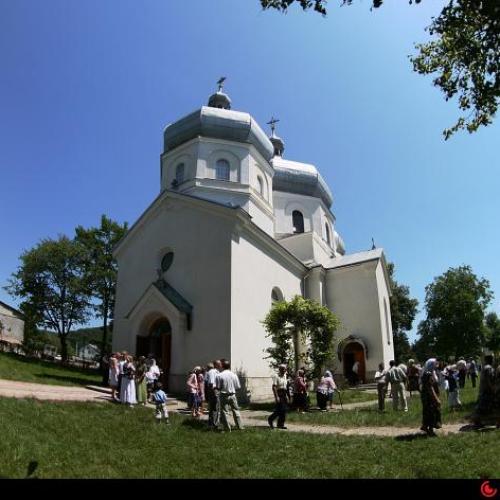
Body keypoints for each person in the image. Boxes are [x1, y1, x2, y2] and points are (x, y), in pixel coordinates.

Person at [216, 360, 244, 431]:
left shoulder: (219, 375)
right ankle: (240, 427)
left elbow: (218, 387)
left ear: (222, 366)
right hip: (232, 395)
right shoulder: (234, 375)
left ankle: (228, 428)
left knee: (225, 412)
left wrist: (218, 388)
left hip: (223, 395)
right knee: (236, 411)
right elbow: (238, 387)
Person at [471, 355, 496, 427]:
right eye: (493, 359)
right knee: (482, 406)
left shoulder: (485, 367)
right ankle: (477, 422)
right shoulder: (489, 368)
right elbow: (489, 380)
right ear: (491, 360)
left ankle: (482, 420)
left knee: (483, 405)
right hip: (487, 390)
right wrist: (492, 388)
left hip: (483, 389)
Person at [420, 358, 442, 436]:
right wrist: (436, 398)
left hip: (428, 395)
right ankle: (430, 429)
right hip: (429, 396)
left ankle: (426, 426)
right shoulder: (428, 374)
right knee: (431, 411)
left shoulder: (431, 372)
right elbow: (430, 387)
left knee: (428, 411)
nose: (436, 365)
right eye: (435, 364)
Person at [268, 364, 290, 428]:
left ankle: (280, 424)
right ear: (279, 369)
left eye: (285, 369)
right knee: (280, 409)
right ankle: (270, 419)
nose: (284, 370)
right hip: (279, 393)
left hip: (284, 393)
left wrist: (287, 396)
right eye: (282, 369)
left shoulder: (285, 376)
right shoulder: (276, 376)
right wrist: (276, 396)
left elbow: (286, 387)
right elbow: (274, 387)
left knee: (284, 410)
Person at [205, 360, 221, 429]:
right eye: (219, 363)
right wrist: (214, 393)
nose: (221, 365)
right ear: (216, 365)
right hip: (214, 390)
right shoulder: (212, 372)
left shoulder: (216, 371)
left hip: (215, 390)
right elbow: (211, 383)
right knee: (215, 408)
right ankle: (214, 424)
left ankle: (211, 423)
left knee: (214, 408)